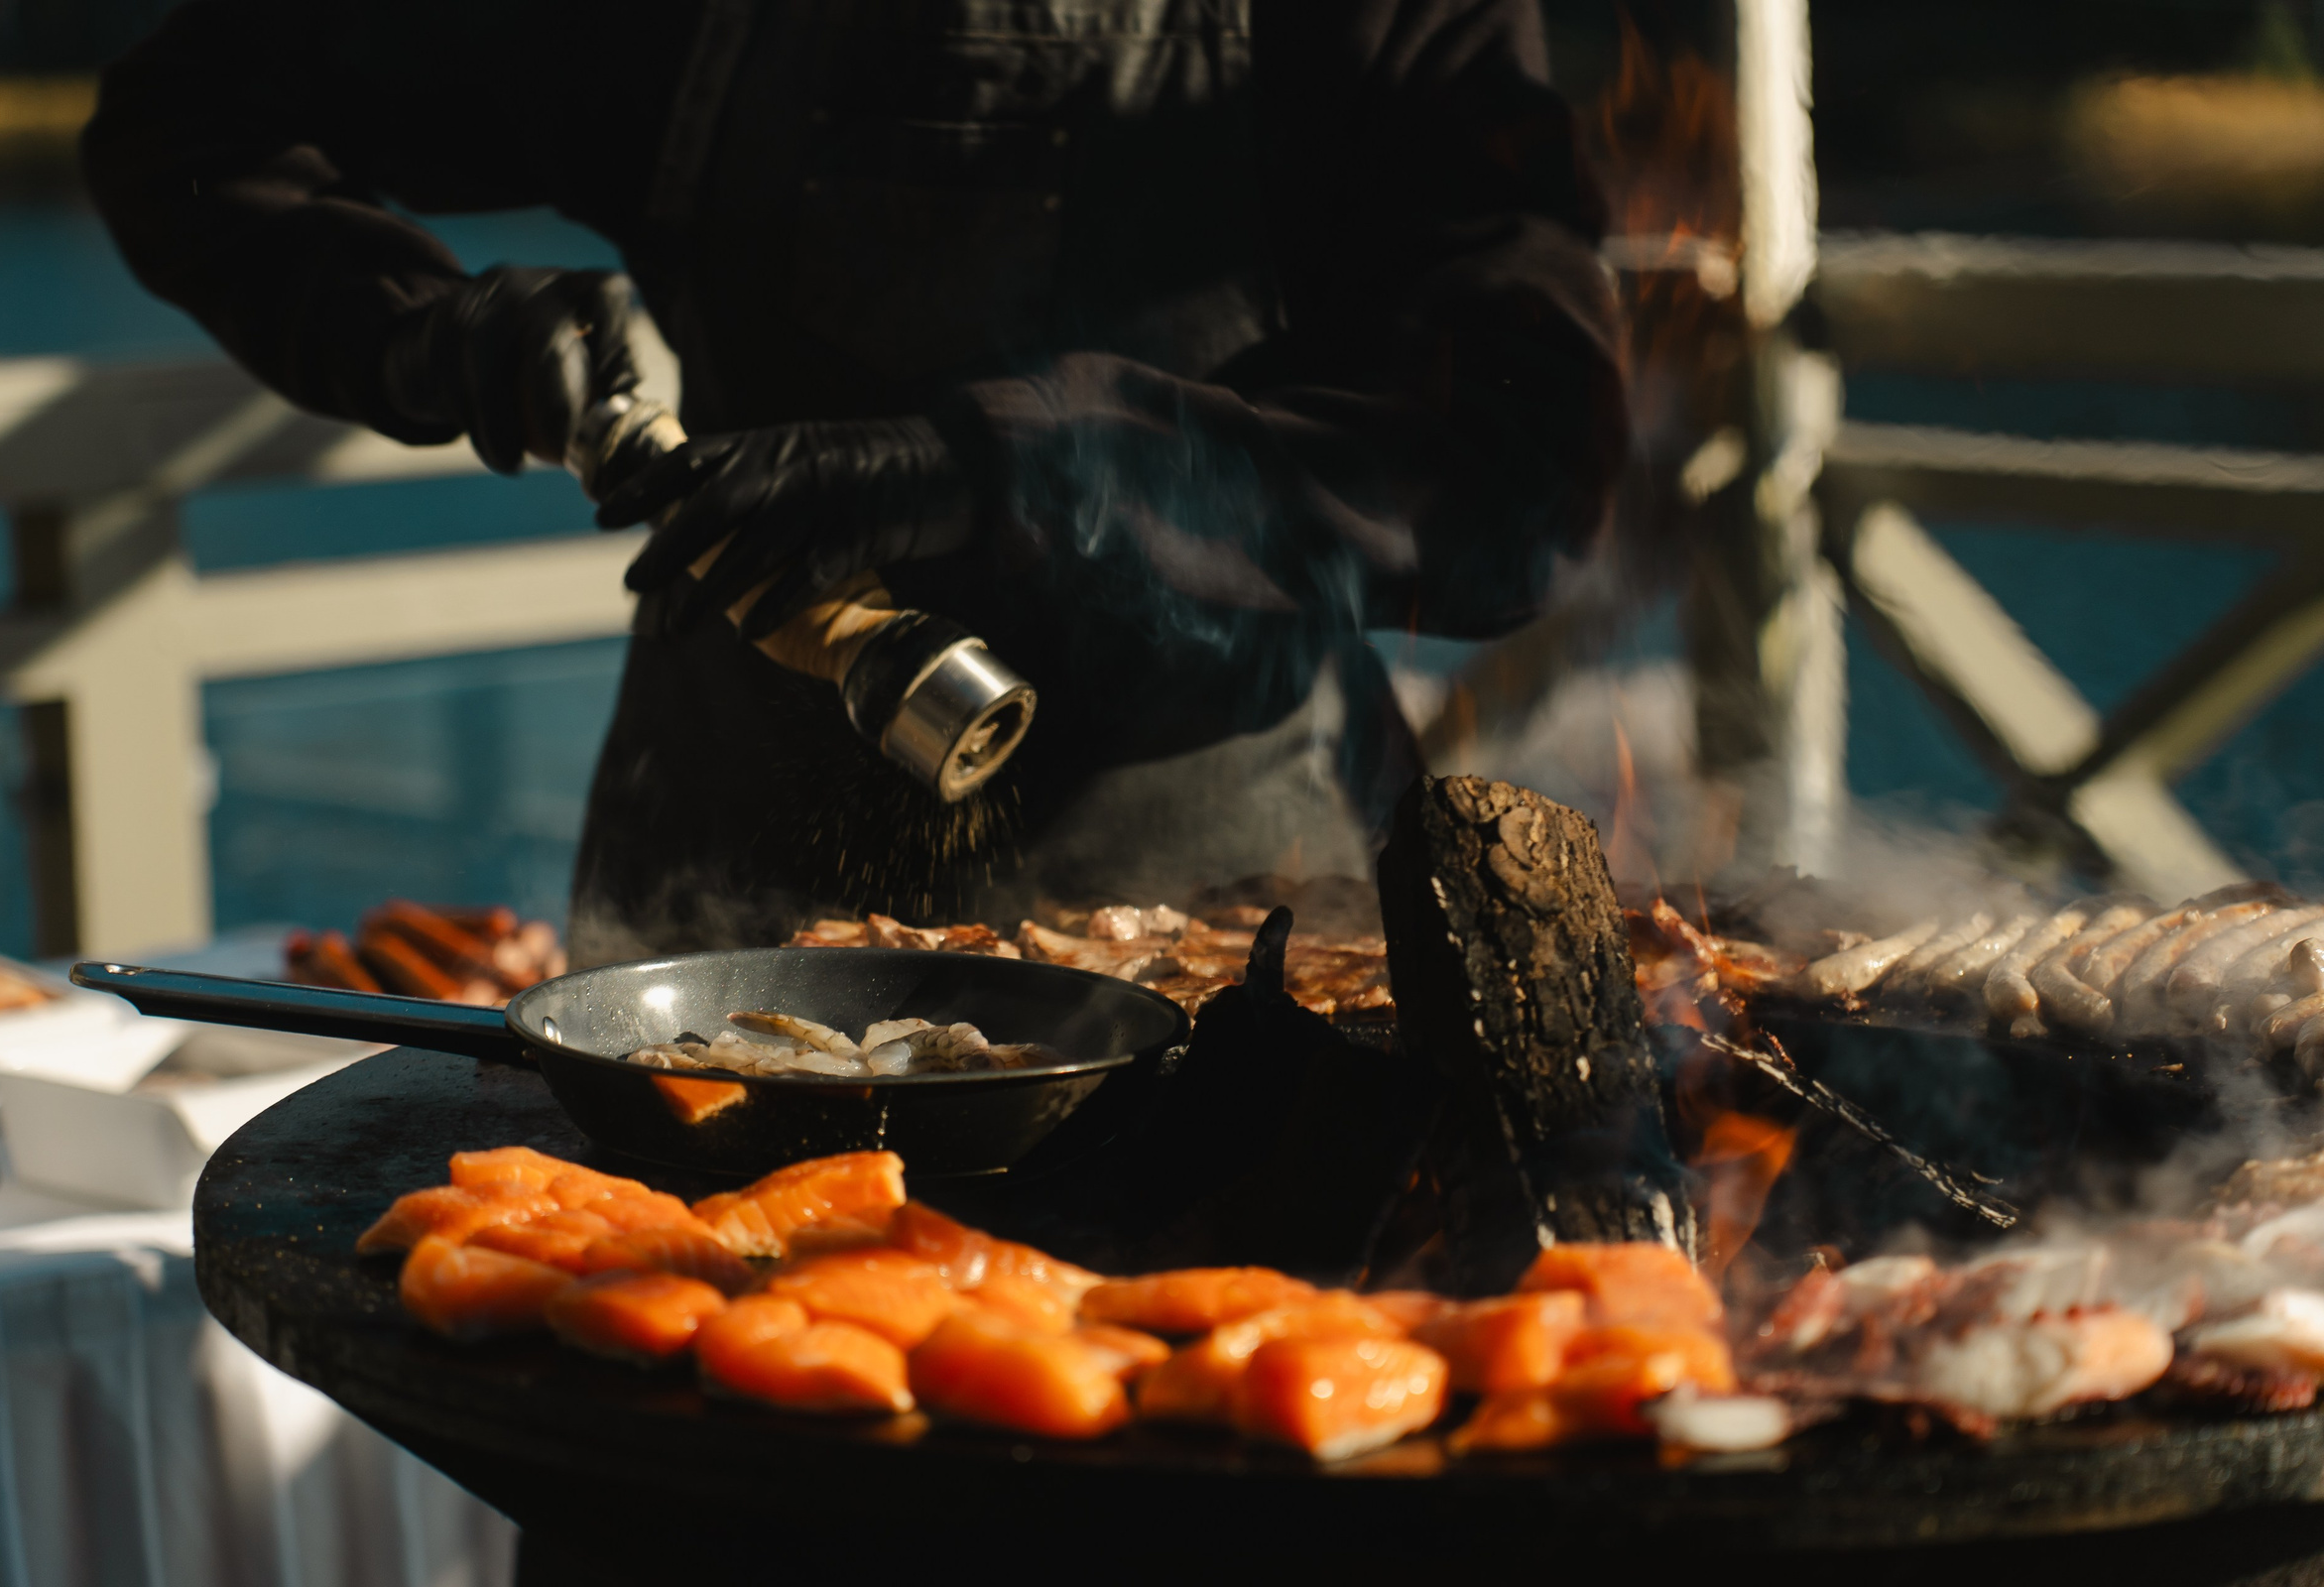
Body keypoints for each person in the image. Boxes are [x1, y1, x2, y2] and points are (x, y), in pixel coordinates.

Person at [83, 0, 1626, 963]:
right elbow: (189, 124)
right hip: (722, 941)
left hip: (1235, 947)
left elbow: (1521, 468)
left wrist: (1008, 470)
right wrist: (421, 334)